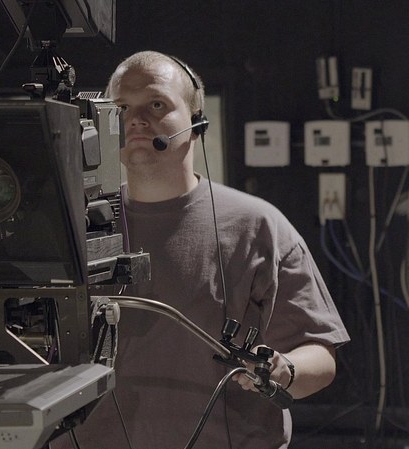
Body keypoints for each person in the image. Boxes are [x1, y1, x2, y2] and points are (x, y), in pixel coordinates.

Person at [57, 50, 349, 449]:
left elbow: (320, 354)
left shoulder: (257, 226)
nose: (134, 119)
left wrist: (284, 370)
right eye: (121, 108)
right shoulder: (69, 227)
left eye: (156, 104)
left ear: (197, 123)